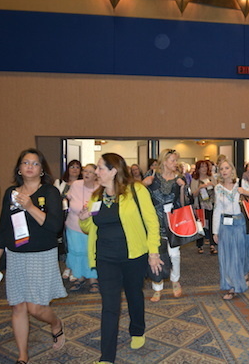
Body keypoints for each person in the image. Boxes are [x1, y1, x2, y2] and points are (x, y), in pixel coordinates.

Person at [78, 153, 162, 363]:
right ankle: (106, 357)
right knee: (109, 305)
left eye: (100, 168)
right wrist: (83, 219)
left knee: (134, 295)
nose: (96, 172)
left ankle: (137, 330)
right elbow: (89, 228)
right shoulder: (97, 196)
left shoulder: (136, 190)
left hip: (134, 255)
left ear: (114, 170)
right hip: (105, 258)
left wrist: (153, 253)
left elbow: (152, 222)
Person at [0, 148, 66, 364]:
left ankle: (56, 323)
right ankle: (22, 355)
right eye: (26, 163)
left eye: (35, 163)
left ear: (42, 170)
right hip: (16, 255)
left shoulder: (50, 192)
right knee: (18, 305)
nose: (30, 166)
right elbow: (4, 229)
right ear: (19, 169)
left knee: (36, 307)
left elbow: (55, 226)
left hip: (41, 255)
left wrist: (30, 206)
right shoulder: (11, 193)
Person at [212, 159, 249, 300]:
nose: (224, 171)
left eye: (227, 168)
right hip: (225, 225)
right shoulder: (218, 188)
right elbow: (217, 209)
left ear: (232, 169)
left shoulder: (241, 183)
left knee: (239, 256)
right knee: (227, 257)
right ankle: (232, 286)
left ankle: (240, 279)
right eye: (221, 169)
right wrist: (215, 231)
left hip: (240, 224)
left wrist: (245, 192)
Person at [142, 149, 186, 302]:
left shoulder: (179, 179)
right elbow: (138, 195)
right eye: (173, 160)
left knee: (174, 255)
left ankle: (175, 280)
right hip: (154, 222)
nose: (175, 163)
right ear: (164, 161)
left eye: (176, 160)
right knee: (156, 255)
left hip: (173, 222)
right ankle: (157, 287)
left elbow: (183, 203)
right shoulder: (152, 176)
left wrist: (182, 188)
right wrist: (143, 184)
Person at [65, 164, 100, 293]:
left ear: (96, 175)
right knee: (75, 252)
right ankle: (79, 277)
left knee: (90, 252)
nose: (87, 174)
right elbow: (67, 199)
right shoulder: (76, 185)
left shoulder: (100, 188)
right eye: (85, 171)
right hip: (73, 225)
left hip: (91, 227)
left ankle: (93, 279)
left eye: (90, 172)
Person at [55, 159, 82, 281]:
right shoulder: (60, 183)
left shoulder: (83, 184)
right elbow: (55, 199)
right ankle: (68, 265)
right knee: (66, 243)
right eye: (72, 167)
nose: (75, 169)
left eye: (77, 167)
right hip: (63, 217)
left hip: (78, 217)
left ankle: (74, 268)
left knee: (77, 243)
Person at [191, 159, 217, 255]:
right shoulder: (195, 180)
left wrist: (213, 185)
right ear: (198, 168)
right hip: (200, 205)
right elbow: (193, 194)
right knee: (200, 225)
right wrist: (200, 188)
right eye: (202, 167)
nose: (204, 168)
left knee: (212, 224)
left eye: (205, 166)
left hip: (211, 204)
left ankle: (212, 245)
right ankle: (200, 245)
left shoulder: (211, 177)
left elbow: (218, 190)